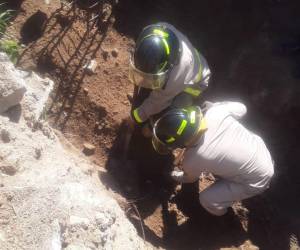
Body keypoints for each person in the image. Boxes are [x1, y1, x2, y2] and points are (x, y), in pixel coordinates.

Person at [151, 101, 274, 216]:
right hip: (260, 150)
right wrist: (217, 105)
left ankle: (225, 218)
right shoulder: (215, 112)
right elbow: (243, 108)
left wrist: (172, 174)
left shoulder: (195, 158)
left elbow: (188, 179)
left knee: (207, 200)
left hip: (256, 179)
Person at [126, 22, 211, 132]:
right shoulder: (150, 33)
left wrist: (135, 118)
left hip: (196, 83)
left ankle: (155, 127)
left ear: (168, 68)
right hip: (187, 66)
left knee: (175, 107)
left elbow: (156, 103)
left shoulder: (176, 77)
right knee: (153, 85)